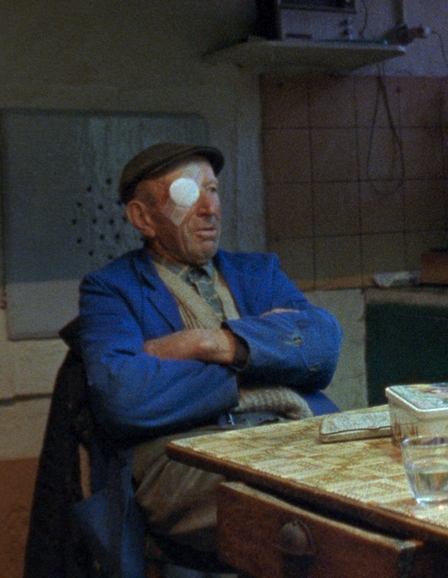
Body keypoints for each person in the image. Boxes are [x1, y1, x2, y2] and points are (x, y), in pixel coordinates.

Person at [75, 142, 343, 576]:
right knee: (304, 506)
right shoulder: (112, 289)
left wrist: (206, 343)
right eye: (186, 194)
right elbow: (122, 396)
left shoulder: (258, 271)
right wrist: (260, 362)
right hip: (183, 458)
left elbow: (323, 344)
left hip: (291, 432)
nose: (210, 208)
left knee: (390, 474)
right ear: (143, 218)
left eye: (213, 190)